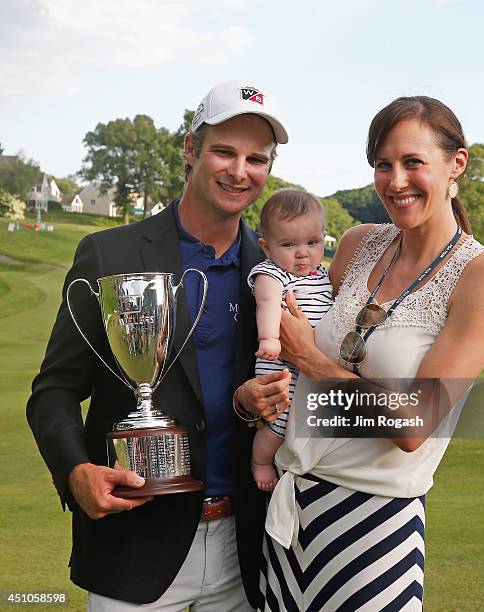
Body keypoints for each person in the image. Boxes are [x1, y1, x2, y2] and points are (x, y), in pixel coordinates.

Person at [26, 80, 292, 611]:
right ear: (191, 150)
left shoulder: (277, 272)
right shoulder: (109, 253)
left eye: (256, 158)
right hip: (135, 547)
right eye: (223, 151)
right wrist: (76, 471)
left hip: (247, 554)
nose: (240, 171)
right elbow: (54, 388)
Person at [258, 96, 484, 611]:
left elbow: (413, 429)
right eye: (383, 164)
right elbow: (298, 364)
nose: (395, 181)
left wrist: (316, 364)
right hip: (288, 515)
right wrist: (259, 395)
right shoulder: (357, 244)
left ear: (456, 164)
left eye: (413, 162)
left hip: (375, 529)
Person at [247, 190, 333, 490]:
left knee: (304, 419)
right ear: (266, 246)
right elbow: (267, 303)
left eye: (312, 243)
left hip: (309, 366)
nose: (302, 253)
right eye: (288, 244)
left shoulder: (321, 275)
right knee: (280, 421)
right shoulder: (272, 274)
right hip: (279, 362)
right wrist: (269, 337)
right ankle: (260, 461)